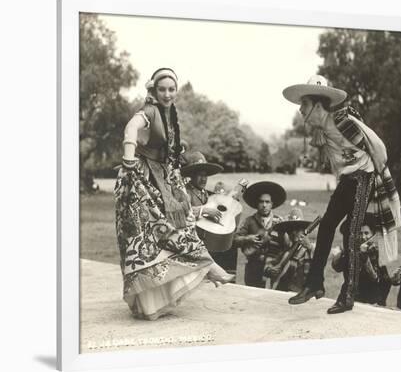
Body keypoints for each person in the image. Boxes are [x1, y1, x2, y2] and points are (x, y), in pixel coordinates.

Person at [115, 67, 233, 320]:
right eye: (162, 89)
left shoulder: (170, 114)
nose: (167, 94)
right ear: (154, 91)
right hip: (141, 178)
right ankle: (206, 266)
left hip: (163, 176)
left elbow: (163, 146)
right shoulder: (150, 110)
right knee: (149, 234)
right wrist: (128, 157)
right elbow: (131, 127)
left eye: (171, 89)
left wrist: (176, 151)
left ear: (176, 91)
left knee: (175, 225)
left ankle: (196, 271)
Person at [283, 75, 401, 314]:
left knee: (351, 233)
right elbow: (338, 164)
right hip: (349, 180)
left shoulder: (343, 121)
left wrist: (379, 173)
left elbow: (378, 147)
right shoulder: (323, 131)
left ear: (317, 106)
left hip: (364, 177)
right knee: (326, 226)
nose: (300, 110)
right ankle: (314, 283)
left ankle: (348, 295)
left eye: (304, 105)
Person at [180, 151, 238, 275]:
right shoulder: (186, 192)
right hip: (192, 245)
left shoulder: (207, 194)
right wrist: (202, 210)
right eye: (200, 175)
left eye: (206, 175)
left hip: (210, 243)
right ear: (191, 175)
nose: (204, 179)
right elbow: (181, 211)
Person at [233, 181, 287, 288]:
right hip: (253, 266)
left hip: (273, 267)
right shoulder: (249, 221)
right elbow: (235, 240)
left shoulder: (280, 221)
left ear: (272, 204)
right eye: (261, 202)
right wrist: (249, 238)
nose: (264, 205)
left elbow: (287, 246)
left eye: (267, 202)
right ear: (256, 204)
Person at [332, 214, 392, 306]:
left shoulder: (376, 253)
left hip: (371, 299)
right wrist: (342, 254)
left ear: (372, 234)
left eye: (366, 233)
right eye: (360, 233)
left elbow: (382, 280)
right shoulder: (350, 252)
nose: (363, 237)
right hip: (352, 298)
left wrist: (380, 300)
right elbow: (337, 267)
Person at [266, 207, 315, 292]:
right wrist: (270, 270)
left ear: (304, 231)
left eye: (298, 229)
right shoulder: (283, 248)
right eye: (291, 230)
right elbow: (269, 266)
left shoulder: (308, 249)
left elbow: (317, 268)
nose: (294, 233)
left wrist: (309, 247)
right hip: (280, 292)